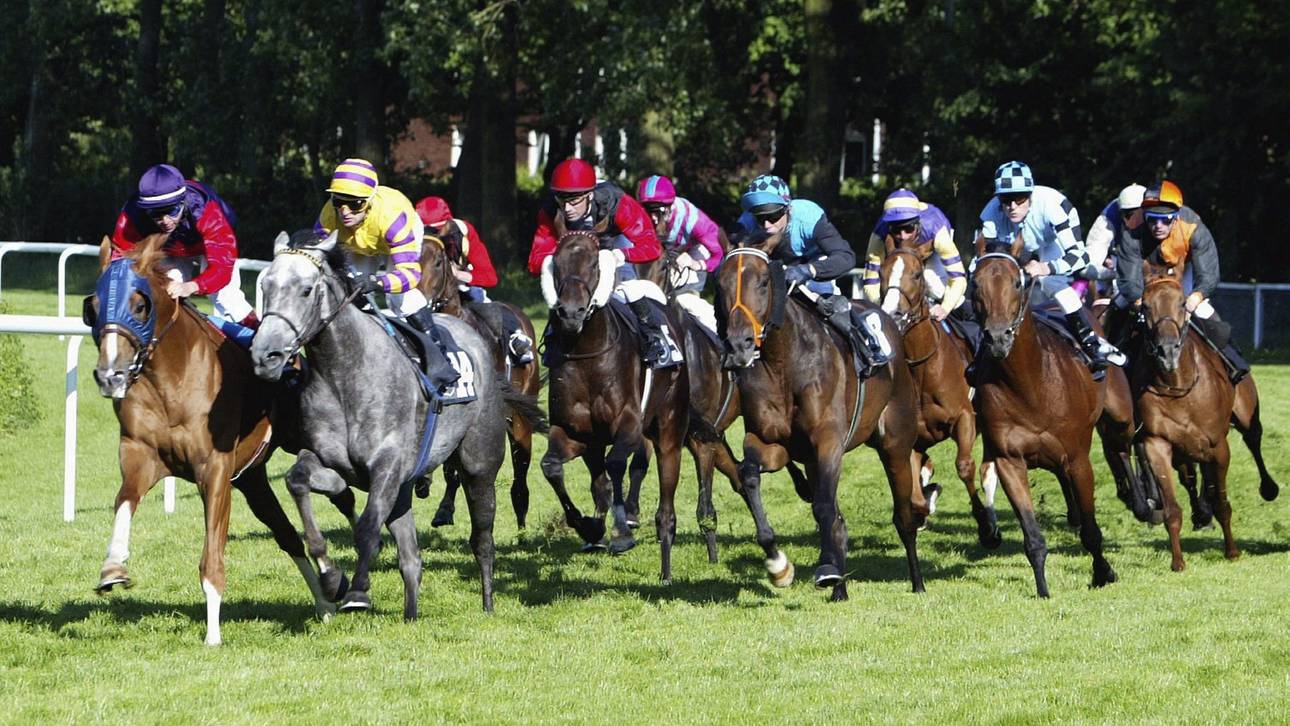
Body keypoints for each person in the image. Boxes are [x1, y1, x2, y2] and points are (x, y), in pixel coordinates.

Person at [313, 158, 458, 390]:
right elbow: (316, 257)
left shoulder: (394, 218)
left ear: (369, 202)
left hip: (394, 238)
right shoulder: (329, 216)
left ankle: (440, 358)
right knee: (348, 293)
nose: (345, 212)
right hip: (359, 243)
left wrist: (376, 283)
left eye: (355, 204)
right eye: (339, 202)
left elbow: (410, 276)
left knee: (402, 299)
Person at [529, 158, 677, 368]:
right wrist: (559, 260)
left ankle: (653, 337)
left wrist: (621, 255)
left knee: (626, 287)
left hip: (614, 244)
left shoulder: (618, 203)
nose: (567, 208)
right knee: (562, 282)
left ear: (589, 195)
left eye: (574, 201)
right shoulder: (550, 211)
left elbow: (652, 246)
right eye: (562, 200)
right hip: (575, 255)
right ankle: (553, 336)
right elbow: (535, 261)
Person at [736, 173, 891, 373]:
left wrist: (809, 270)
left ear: (788, 208)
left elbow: (846, 256)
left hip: (812, 268)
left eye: (773, 216)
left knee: (827, 302)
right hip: (775, 270)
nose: (766, 225)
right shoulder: (746, 223)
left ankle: (868, 347)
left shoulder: (810, 217)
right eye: (760, 218)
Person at [974, 160, 1121, 371]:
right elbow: (979, 262)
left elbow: (1079, 256)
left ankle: (1090, 343)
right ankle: (981, 351)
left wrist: (1045, 268)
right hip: (1019, 243)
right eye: (1006, 200)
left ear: (1031, 195)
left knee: (1052, 282)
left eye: (1020, 198)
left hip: (1051, 239)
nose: (1013, 206)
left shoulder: (1053, 207)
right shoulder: (990, 213)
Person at [1113, 180, 1249, 381]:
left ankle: (1234, 362)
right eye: (1152, 220)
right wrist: (1138, 302)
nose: (1158, 226)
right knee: (1118, 306)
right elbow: (1128, 277)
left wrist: (1196, 297)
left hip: (1181, 271)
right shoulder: (1133, 226)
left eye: (1165, 220)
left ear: (1175, 219)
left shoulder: (1192, 225)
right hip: (1146, 274)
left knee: (1203, 309)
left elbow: (1208, 272)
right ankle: (1105, 361)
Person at [111, 164, 258, 333]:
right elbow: (119, 258)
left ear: (183, 201)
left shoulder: (205, 209)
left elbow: (221, 268)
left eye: (172, 211)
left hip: (209, 246)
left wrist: (192, 286)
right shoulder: (133, 213)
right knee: (166, 291)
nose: (165, 220)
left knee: (225, 297)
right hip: (171, 248)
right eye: (156, 214)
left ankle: (259, 333)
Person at [414, 195, 533, 363]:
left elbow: (490, 277)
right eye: (427, 231)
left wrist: (458, 275)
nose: (432, 235)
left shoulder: (464, 233)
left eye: (437, 230)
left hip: (463, 289)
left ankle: (516, 341)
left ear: (448, 225)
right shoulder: (412, 237)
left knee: (491, 308)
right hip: (424, 290)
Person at [862, 188, 968, 322]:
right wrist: (881, 306)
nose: (903, 236)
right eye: (896, 230)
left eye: (909, 228)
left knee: (932, 281)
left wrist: (945, 308)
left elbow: (958, 277)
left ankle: (967, 313)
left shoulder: (936, 229)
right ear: (888, 227)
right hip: (904, 255)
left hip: (931, 252)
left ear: (918, 224)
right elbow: (870, 281)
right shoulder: (879, 234)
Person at [636, 174, 725, 332]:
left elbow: (718, 255)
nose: (653, 218)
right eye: (647, 210)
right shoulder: (642, 217)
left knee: (685, 299)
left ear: (670, 208)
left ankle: (712, 329)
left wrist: (696, 264)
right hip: (665, 253)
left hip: (690, 253)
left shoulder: (695, 221)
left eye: (657, 211)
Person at [1082, 183, 1146, 300]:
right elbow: (1088, 265)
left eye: (1140, 214)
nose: (1135, 220)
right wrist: (1114, 275)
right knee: (1122, 292)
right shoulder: (1107, 220)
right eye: (1129, 215)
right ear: (1120, 213)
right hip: (1120, 259)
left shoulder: (1159, 217)